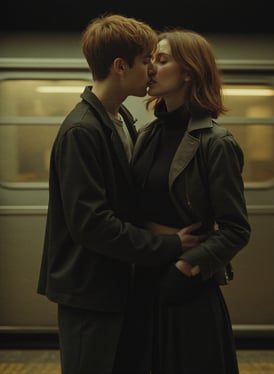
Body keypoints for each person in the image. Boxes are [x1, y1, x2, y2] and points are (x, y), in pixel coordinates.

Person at [37, 15, 202, 374]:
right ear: (119, 66)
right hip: (90, 295)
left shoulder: (122, 119)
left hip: (116, 287)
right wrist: (169, 245)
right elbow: (91, 224)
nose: (151, 71)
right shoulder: (82, 131)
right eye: (146, 62)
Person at [131, 29, 251, 374]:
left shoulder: (215, 143)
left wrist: (185, 269)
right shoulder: (146, 136)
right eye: (150, 58)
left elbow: (236, 229)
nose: (150, 67)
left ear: (189, 72)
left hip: (186, 290)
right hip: (144, 281)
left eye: (162, 59)